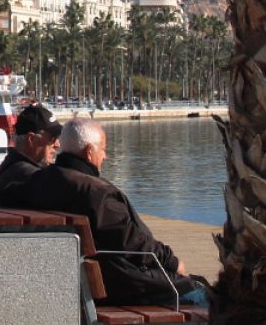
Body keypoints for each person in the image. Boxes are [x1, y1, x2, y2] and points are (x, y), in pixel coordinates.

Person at [22, 118, 204, 306]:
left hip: (75, 281)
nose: (105, 156)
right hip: (117, 285)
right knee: (201, 290)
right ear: (89, 151)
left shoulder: (39, 181)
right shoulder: (96, 193)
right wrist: (172, 262)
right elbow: (133, 243)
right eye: (103, 149)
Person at [0, 103, 61, 205]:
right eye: (52, 138)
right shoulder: (26, 175)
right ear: (31, 139)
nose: (57, 144)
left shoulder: (12, 165)